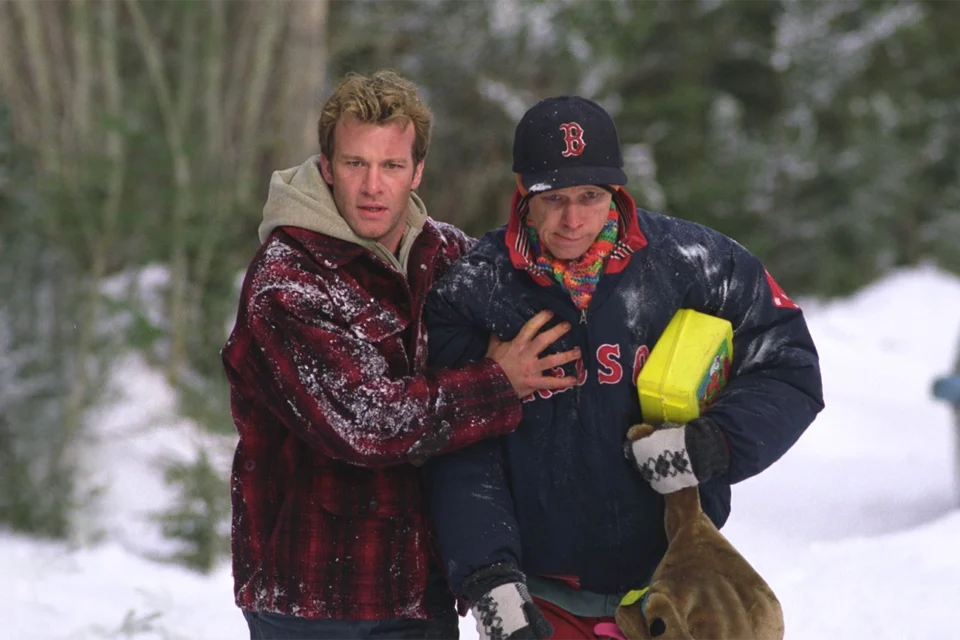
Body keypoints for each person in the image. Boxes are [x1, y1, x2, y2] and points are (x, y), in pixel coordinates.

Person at [422, 96, 824, 640]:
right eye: (554, 197)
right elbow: (462, 450)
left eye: (590, 196)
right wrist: (489, 579)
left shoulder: (698, 264)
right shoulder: (475, 291)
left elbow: (789, 364)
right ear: (524, 193)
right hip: (544, 599)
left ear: (616, 190)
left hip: (678, 589)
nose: (573, 218)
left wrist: (714, 444)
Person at [221, 71, 582, 640]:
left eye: (390, 166)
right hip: (312, 600)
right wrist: (497, 380)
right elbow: (365, 421)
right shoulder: (288, 279)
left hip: (418, 592)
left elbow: (553, 322)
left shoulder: (449, 256)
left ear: (416, 172)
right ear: (326, 168)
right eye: (354, 164)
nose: (373, 186)